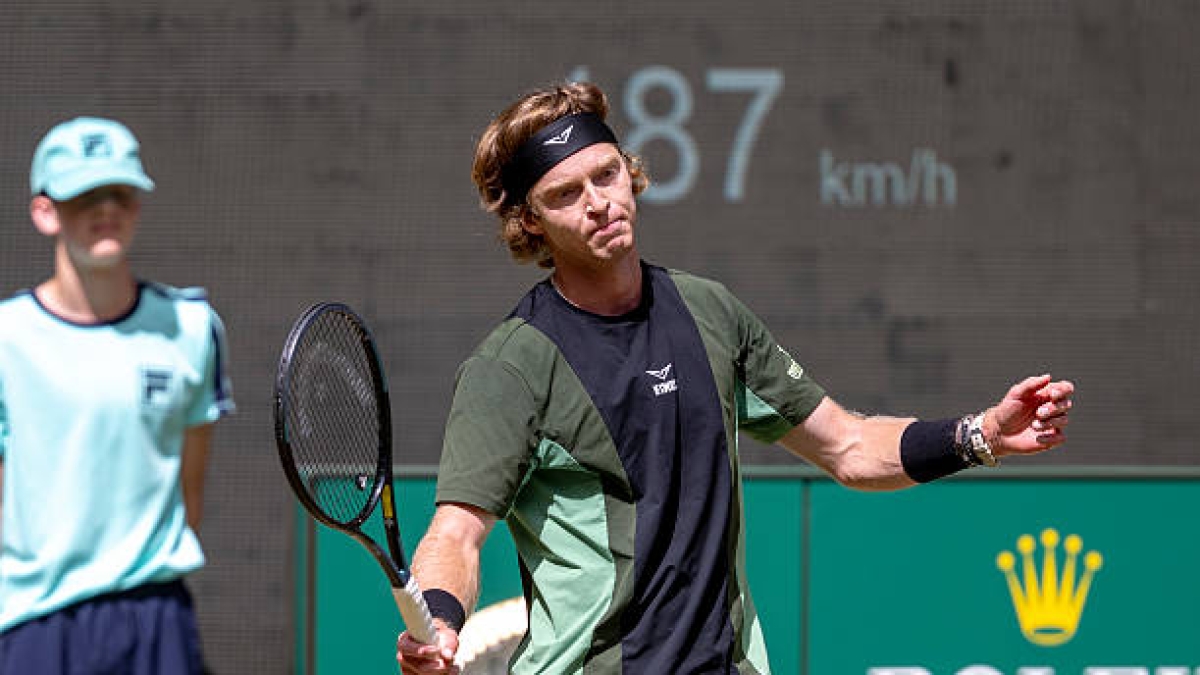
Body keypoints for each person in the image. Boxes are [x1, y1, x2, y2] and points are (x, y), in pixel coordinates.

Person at [396, 82, 1074, 675]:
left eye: (606, 174)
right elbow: (454, 535)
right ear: (530, 221)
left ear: (630, 172)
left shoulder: (709, 312)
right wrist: (444, 620)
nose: (599, 202)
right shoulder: (510, 366)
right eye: (566, 194)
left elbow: (848, 446)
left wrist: (979, 434)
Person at [0, 116, 236, 674]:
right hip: (33, 624)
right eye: (85, 196)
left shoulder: (192, 328)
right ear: (45, 212)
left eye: (120, 193)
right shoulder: (6, 338)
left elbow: (189, 497)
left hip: (156, 623)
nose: (106, 210)